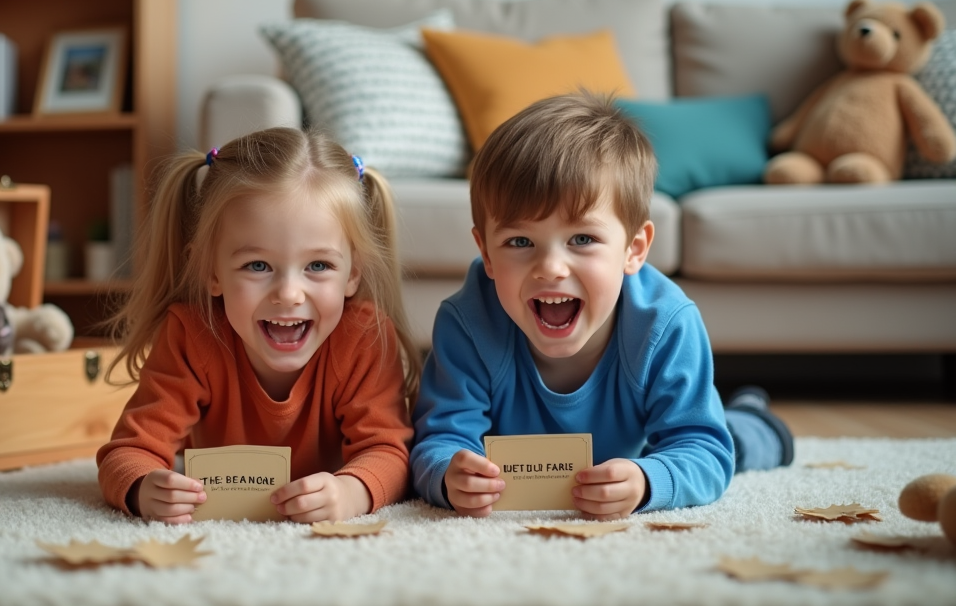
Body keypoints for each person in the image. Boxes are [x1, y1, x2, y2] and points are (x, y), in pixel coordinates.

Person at [410, 92, 794, 520]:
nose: (551, 268)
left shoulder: (666, 324)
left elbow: (701, 448)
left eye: (582, 239)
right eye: (520, 242)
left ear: (634, 249)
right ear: (486, 252)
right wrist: (449, 475)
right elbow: (437, 439)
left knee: (729, 442)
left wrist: (649, 480)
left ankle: (754, 422)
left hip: (642, 448)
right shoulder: (466, 321)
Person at [98, 127, 421, 525]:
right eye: (257, 266)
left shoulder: (364, 335)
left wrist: (350, 492)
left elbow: (389, 452)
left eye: (318, 266)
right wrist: (144, 487)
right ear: (211, 271)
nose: (289, 294)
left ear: (352, 274)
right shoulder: (191, 334)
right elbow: (128, 452)